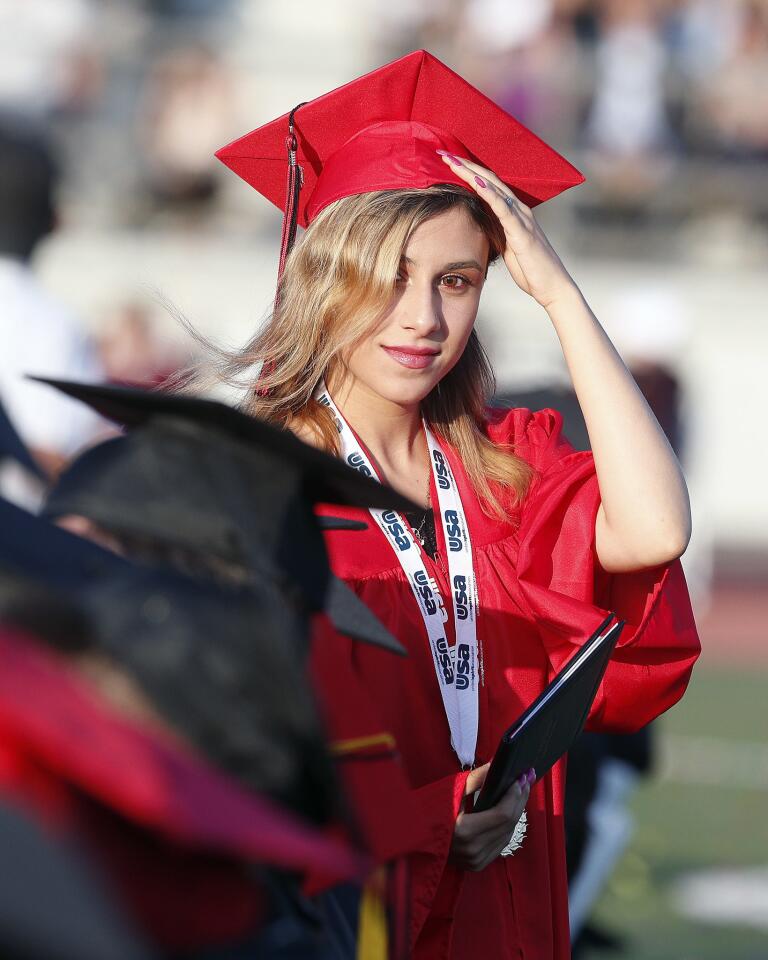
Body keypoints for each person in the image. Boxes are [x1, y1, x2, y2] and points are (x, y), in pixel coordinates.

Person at [214, 49, 700, 960]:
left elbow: (656, 528)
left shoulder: (504, 470)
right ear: (324, 277)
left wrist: (558, 294)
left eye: (457, 280)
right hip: (340, 914)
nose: (423, 320)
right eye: (389, 276)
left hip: (501, 900)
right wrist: (436, 810)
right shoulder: (264, 489)